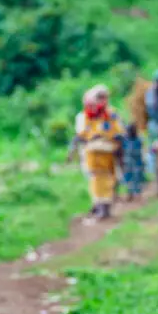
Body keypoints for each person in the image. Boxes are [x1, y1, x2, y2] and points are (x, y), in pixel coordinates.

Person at [69, 84, 123, 219]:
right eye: (99, 98)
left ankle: (105, 207)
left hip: (108, 152)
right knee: (95, 179)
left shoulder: (111, 114)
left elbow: (119, 132)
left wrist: (110, 138)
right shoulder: (85, 116)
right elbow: (81, 134)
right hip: (93, 153)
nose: (101, 101)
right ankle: (98, 205)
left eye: (103, 97)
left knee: (107, 179)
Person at [120, 123, 146, 201]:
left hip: (137, 162)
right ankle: (130, 193)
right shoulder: (125, 140)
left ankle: (138, 195)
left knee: (137, 178)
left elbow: (140, 151)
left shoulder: (138, 140)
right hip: (128, 162)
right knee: (128, 178)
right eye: (128, 130)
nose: (129, 132)